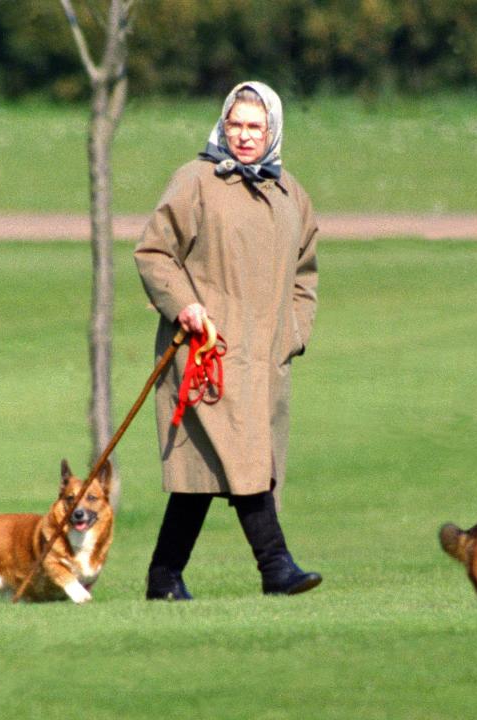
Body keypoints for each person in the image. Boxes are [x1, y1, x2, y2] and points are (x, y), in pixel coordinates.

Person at [134, 81, 321, 600]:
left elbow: (306, 275)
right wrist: (183, 305)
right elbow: (153, 252)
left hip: (266, 361)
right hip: (204, 356)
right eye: (235, 124)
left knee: (208, 473)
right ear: (222, 124)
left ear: (272, 131)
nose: (243, 136)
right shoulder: (194, 181)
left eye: (254, 127)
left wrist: (295, 333)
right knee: (245, 459)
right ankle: (275, 568)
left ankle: (163, 577)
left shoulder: (291, 195)